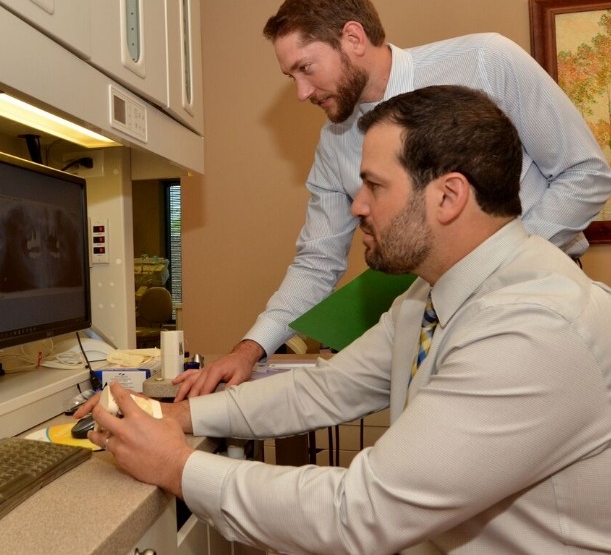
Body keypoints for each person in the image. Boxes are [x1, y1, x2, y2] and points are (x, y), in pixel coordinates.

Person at [84, 86, 611, 554]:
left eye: (374, 186)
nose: (357, 206)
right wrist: (179, 416)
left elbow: (361, 514)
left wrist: (177, 466)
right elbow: (324, 390)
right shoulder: (428, 296)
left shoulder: (533, 327)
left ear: (448, 196)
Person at [174, 0, 611, 398]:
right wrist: (251, 349)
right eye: (292, 77)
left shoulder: (485, 61)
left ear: (353, 38)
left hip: (537, 298)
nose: (302, 92)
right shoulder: (333, 143)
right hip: (433, 311)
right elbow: (317, 261)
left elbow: (586, 173)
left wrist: (490, 269)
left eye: (306, 68)